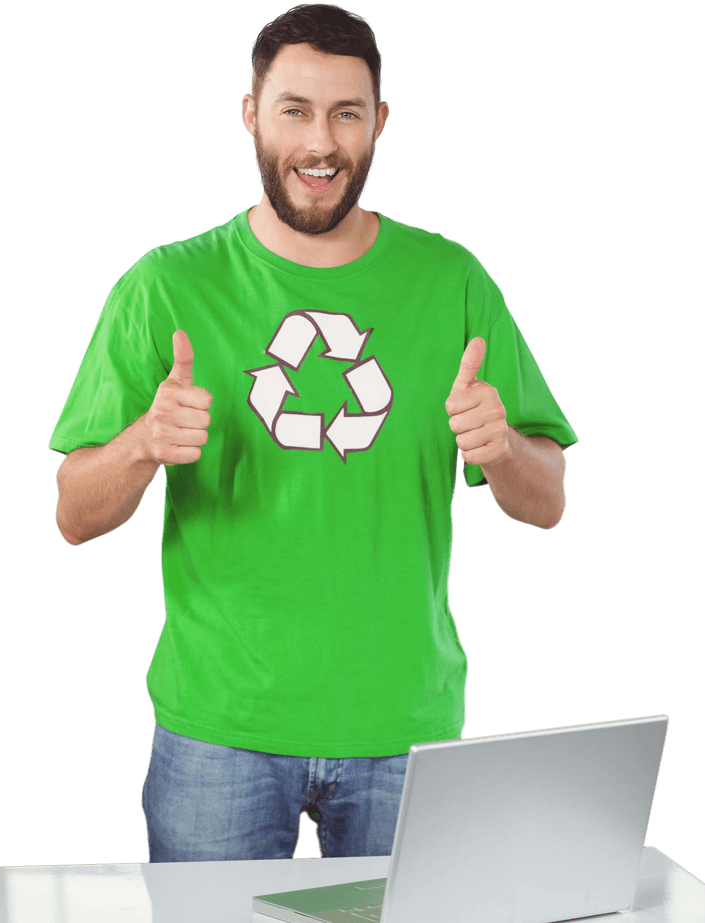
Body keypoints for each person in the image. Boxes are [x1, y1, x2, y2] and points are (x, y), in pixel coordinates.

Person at [50, 3, 577, 861]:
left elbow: (548, 499)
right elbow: (74, 511)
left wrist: (503, 447)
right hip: (219, 731)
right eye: (295, 109)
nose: (320, 143)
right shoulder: (165, 285)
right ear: (252, 112)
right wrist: (143, 442)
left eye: (347, 113)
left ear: (381, 123)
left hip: (405, 732)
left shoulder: (453, 282)